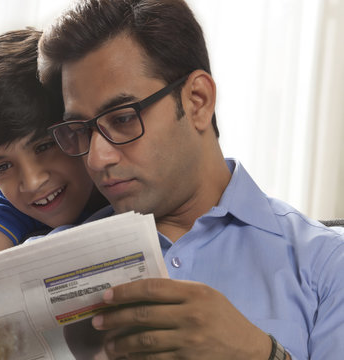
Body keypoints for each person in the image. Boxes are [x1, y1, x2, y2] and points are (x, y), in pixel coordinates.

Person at [38, 0, 344, 359]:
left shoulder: (326, 263)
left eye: (121, 118)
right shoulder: (47, 263)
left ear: (198, 101)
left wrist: (263, 354)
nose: (96, 158)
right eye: (81, 129)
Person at [0, 28, 106, 271]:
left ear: (80, 125)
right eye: (2, 167)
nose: (33, 181)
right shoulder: (0, 199)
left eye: (45, 146)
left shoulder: (134, 166)